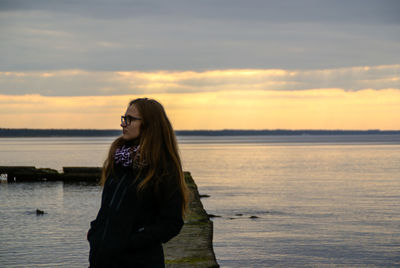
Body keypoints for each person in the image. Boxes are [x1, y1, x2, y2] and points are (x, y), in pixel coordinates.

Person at [87, 98, 189, 268]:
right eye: (123, 118)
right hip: (103, 260)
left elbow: (172, 223)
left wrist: (129, 242)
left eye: (130, 119)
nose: (123, 124)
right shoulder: (119, 161)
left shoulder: (163, 169)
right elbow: (107, 209)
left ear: (149, 124)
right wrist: (95, 232)